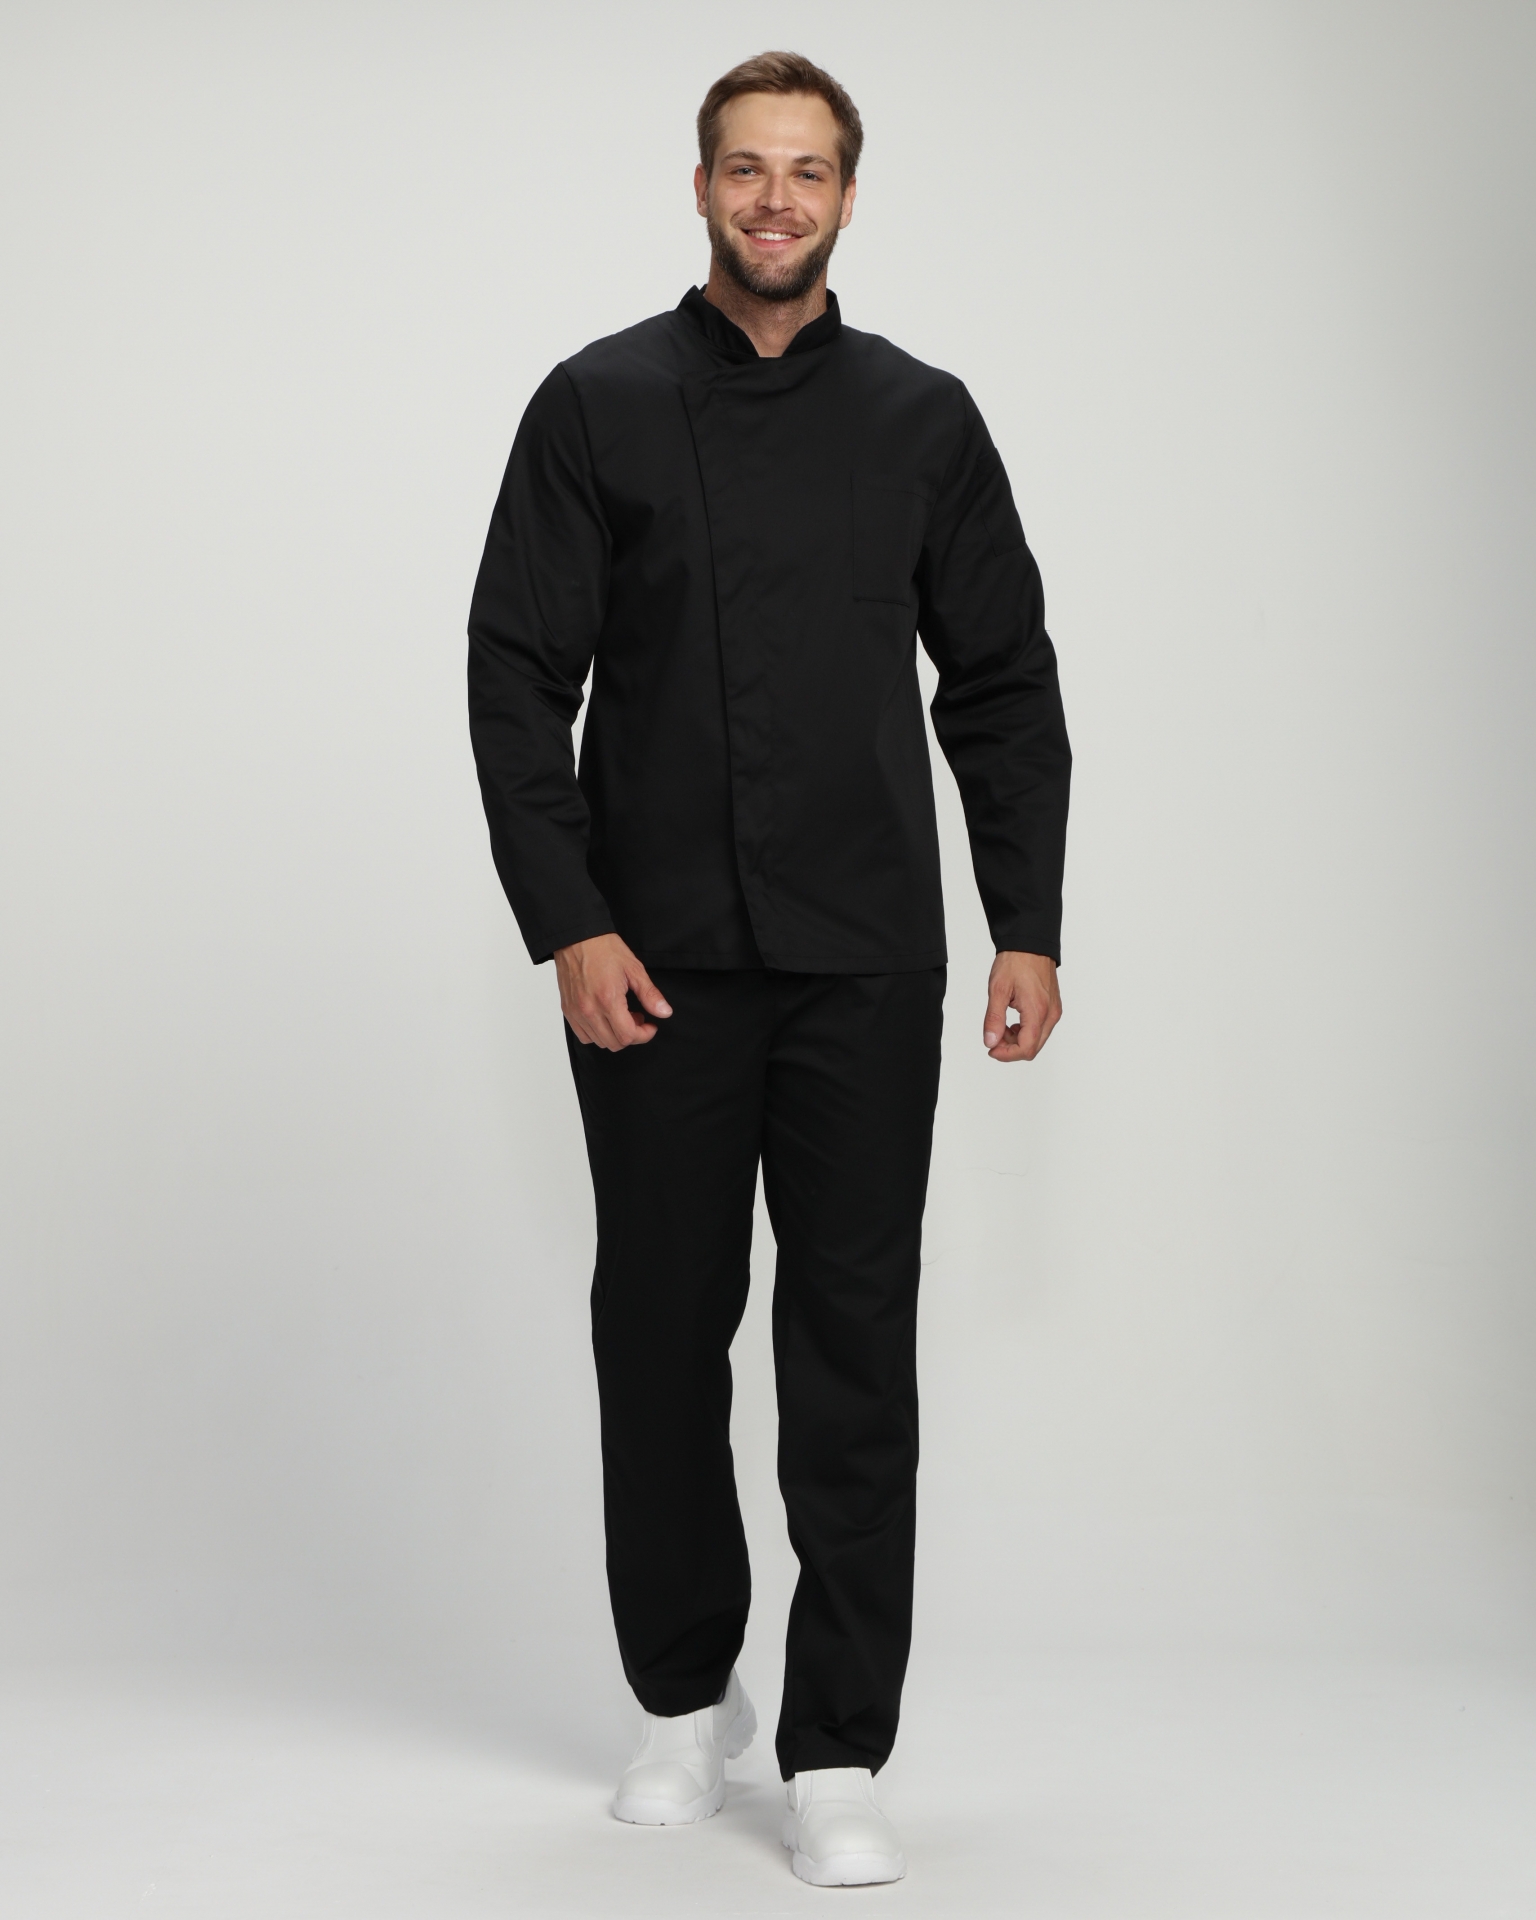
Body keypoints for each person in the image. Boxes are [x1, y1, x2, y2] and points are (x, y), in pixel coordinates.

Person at [467, 49, 1070, 1889]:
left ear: (849, 196)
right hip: (651, 961)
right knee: (658, 1330)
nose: (777, 200)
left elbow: (1001, 680)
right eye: (747, 168)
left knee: (852, 1346)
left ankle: (837, 1746)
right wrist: (570, 920)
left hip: (867, 958)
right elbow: (516, 675)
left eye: (808, 171)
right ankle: (680, 1697)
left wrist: (1027, 918)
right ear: (701, 187)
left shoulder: (923, 419)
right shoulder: (597, 403)